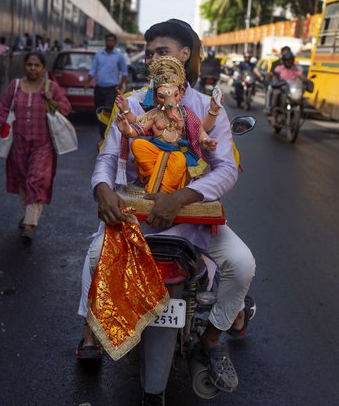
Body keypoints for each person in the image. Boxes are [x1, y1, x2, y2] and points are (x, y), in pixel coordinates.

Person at [76, 20, 256, 397]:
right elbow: (109, 156)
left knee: (242, 264)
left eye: (162, 50)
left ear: (184, 55)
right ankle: (100, 331)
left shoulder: (205, 109)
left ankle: (210, 341)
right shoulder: (134, 104)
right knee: (94, 259)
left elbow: (224, 168)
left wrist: (182, 198)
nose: (153, 57)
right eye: (149, 52)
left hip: (192, 221)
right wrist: (103, 189)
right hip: (134, 219)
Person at [0, 52, 72, 241]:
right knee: (24, 181)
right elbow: (2, 108)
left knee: (36, 181)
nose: (33, 68)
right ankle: (29, 214)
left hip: (42, 144)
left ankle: (29, 224)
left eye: (37, 65)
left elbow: (66, 108)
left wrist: (52, 100)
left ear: (43, 68)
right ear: (24, 66)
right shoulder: (15, 85)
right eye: (29, 65)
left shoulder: (51, 87)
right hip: (17, 143)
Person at [114, 56, 219, 194]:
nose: (170, 102)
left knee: (180, 160)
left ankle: (163, 190)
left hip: (178, 154)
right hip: (157, 152)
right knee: (137, 145)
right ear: (156, 98)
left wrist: (206, 138)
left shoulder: (186, 114)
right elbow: (136, 123)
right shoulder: (155, 114)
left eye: (174, 95)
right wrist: (127, 123)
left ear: (181, 93)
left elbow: (200, 129)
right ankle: (156, 180)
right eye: (162, 96)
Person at [84, 33, 128, 138]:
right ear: (105, 41)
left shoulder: (119, 56)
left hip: (111, 90)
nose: (110, 42)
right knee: (99, 113)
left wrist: (121, 85)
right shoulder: (98, 55)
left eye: (112, 40)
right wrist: (87, 83)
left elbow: (124, 73)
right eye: (108, 40)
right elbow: (92, 71)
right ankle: (102, 137)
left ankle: (108, 136)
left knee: (107, 112)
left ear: (115, 42)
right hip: (99, 88)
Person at [264, 46, 292, 115]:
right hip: (278, 85)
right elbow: (271, 73)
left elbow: (299, 74)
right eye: (285, 53)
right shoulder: (277, 64)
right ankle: (268, 107)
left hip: (289, 86)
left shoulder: (293, 65)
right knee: (270, 90)